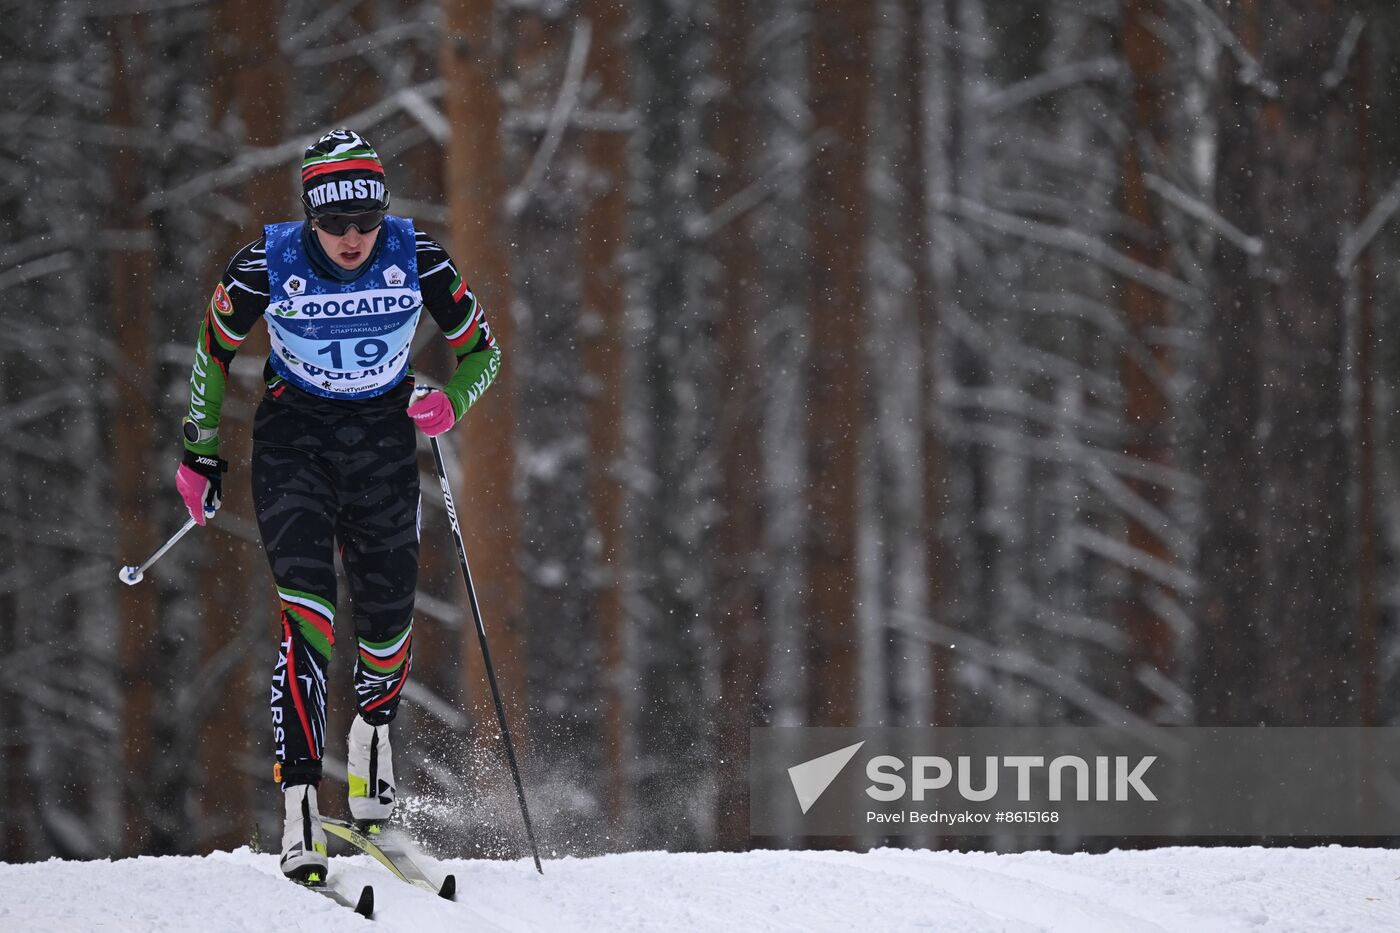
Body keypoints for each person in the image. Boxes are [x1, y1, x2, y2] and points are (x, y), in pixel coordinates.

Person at [175, 128, 501, 883]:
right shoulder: (268, 262)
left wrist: (450, 402)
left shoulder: (418, 257)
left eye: (365, 223)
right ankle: (298, 809)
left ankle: (373, 797)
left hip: (384, 444)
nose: (352, 240)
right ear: (310, 217)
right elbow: (211, 347)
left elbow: (484, 349)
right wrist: (199, 449)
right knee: (310, 617)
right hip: (295, 445)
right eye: (334, 224)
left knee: (386, 626)